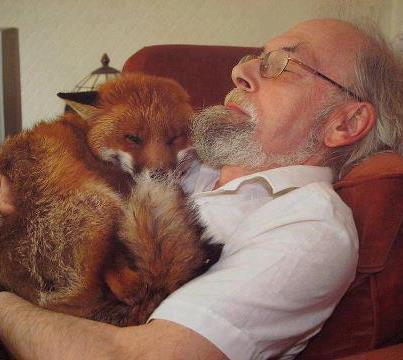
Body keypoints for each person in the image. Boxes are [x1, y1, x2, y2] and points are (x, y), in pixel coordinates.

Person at [0, 18, 402, 360]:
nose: (239, 73)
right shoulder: (185, 158)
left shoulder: (309, 228)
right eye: (253, 60)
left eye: (282, 65)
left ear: (345, 124)